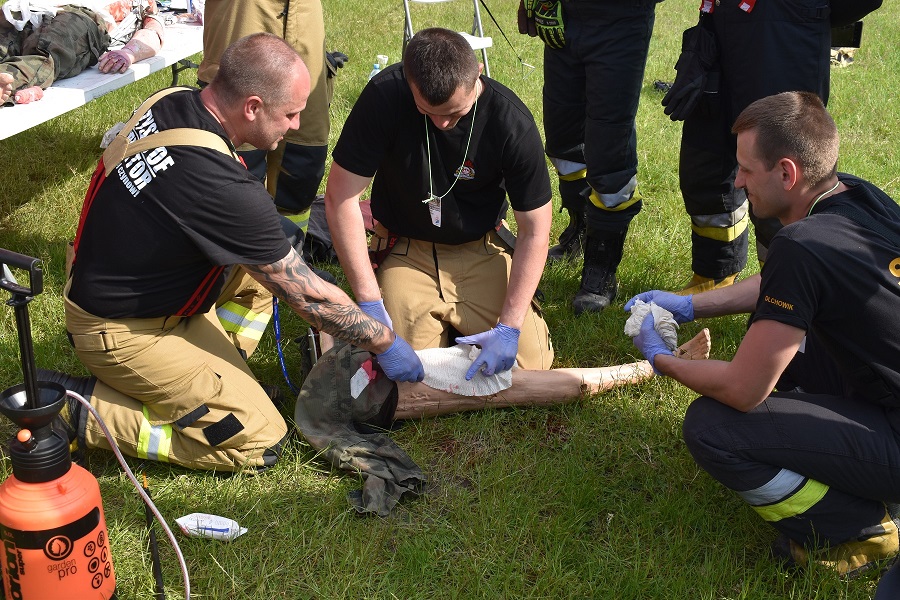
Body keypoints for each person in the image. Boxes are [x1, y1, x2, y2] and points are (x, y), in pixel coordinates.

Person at [44, 33, 424, 474]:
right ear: (252, 107)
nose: (296, 125)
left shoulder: (173, 101)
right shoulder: (222, 187)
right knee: (259, 441)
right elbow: (311, 299)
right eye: (291, 113)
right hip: (122, 332)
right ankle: (76, 409)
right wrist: (385, 341)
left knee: (263, 278)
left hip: (123, 284)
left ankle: (218, 377)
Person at [627, 91, 900, 576]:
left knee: (712, 428)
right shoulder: (856, 197)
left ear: (787, 173)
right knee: (780, 343)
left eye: (746, 170)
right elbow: (784, 284)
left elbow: (743, 390)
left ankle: (859, 526)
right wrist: (689, 305)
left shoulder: (800, 245)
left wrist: (660, 357)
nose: (737, 181)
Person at [324, 28, 554, 381]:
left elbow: (535, 231)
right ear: (409, 81)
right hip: (407, 249)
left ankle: (464, 332)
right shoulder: (385, 95)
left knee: (530, 366)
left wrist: (509, 327)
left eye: (454, 112)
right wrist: (371, 305)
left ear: (478, 73)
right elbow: (340, 197)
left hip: (481, 247)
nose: (442, 123)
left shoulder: (511, 122)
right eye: (426, 111)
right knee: (402, 368)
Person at [661, 0, 838, 295]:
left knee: (778, 170)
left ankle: (784, 289)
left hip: (785, 33)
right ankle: (714, 273)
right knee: (705, 161)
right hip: (720, 26)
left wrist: (800, 11)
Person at [518, 0, 659, 314]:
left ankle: (601, 270)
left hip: (621, 21)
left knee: (610, 153)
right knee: (564, 142)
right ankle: (580, 235)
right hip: (563, 18)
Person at [198, 0, 337, 240]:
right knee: (238, 158)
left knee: (304, 155)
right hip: (244, 12)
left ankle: (292, 245)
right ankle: (237, 246)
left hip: (304, 16)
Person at [0, 0, 164, 105]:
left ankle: (8, 78)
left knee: (47, 55)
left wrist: (128, 53)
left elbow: (153, 32)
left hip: (77, 16)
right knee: (43, 56)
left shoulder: (143, 3)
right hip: (28, 9)